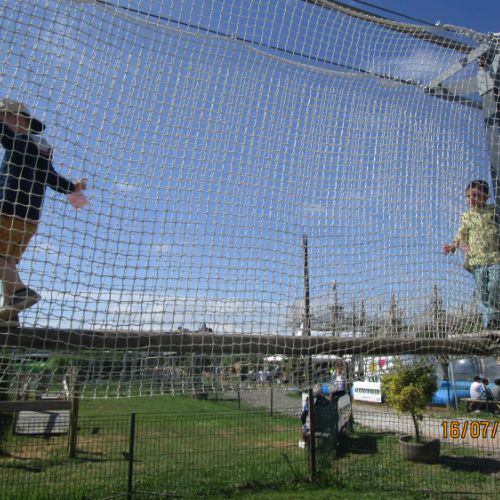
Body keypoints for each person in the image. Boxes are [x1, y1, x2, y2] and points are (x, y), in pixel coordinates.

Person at [0, 99, 87, 326]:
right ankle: (10, 313)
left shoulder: (20, 141)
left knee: (2, 258)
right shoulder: (41, 149)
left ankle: (19, 292)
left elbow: (5, 137)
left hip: (7, 209)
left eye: (2, 118)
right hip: (29, 218)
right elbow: (51, 178)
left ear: (18, 119)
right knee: (7, 260)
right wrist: (72, 187)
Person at [443, 180, 500, 330]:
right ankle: (492, 320)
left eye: (475, 195)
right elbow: (461, 235)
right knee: (482, 291)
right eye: (468, 196)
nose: (471, 199)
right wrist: (453, 246)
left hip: (495, 257)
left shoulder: (494, 210)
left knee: (495, 285)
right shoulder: (467, 216)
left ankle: (495, 318)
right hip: (476, 260)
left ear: (485, 196)